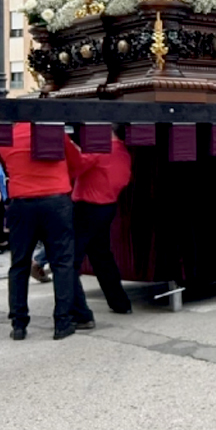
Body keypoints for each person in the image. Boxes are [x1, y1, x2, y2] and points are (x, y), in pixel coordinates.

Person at [0, 123, 95, 341]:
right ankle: (62, 323)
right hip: (55, 201)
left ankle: (19, 325)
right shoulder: (54, 132)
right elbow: (77, 164)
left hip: (21, 202)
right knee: (62, 264)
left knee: (19, 265)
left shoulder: (6, 135)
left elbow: (4, 163)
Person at [70, 129, 134, 323]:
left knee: (70, 259)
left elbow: (76, 166)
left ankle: (77, 310)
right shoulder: (122, 151)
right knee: (102, 256)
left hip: (87, 207)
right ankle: (119, 302)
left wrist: (71, 147)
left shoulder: (100, 149)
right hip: (107, 206)